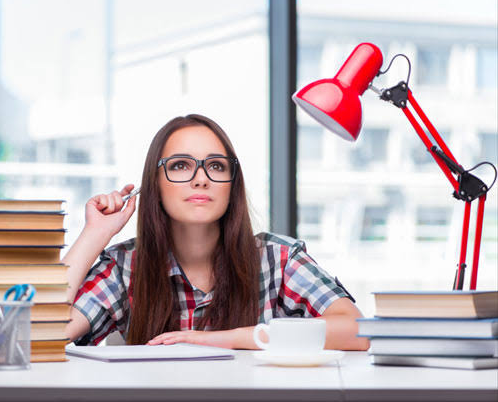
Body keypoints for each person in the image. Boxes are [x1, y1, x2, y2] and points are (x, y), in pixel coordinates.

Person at [64, 114, 369, 350]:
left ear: (232, 184)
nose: (201, 179)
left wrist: (230, 339)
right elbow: (39, 334)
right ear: (154, 184)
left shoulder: (278, 260)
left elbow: (358, 329)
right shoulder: (124, 267)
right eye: (181, 165)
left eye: (216, 166)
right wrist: (94, 234)